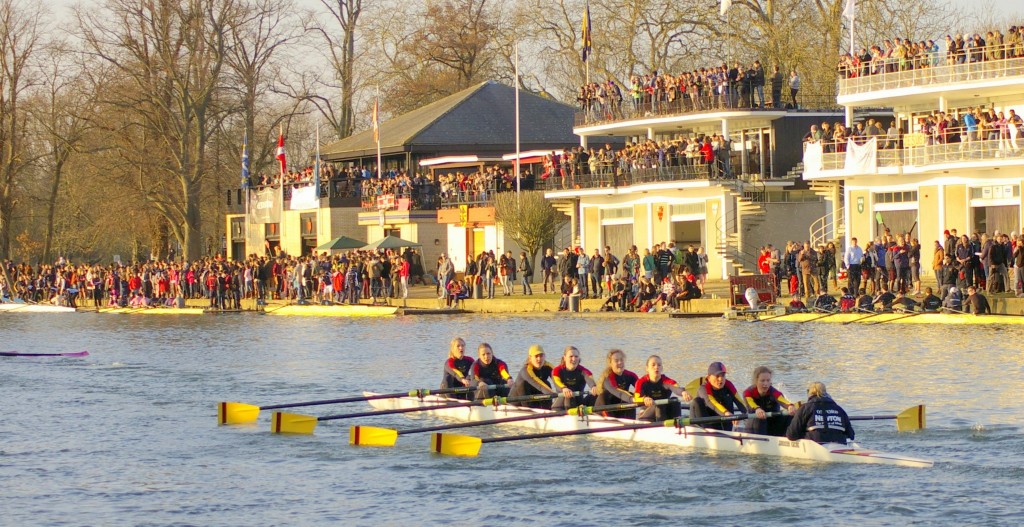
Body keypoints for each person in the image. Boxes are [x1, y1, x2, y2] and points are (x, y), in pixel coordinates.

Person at [786, 381, 855, 444]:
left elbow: (791, 435)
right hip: (840, 442)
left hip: (815, 443)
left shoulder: (805, 408)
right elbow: (851, 435)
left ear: (809, 393)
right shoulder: (839, 409)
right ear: (825, 392)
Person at [690, 361, 747, 430]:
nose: (720, 379)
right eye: (717, 376)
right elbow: (713, 403)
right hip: (706, 425)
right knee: (696, 402)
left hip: (724, 426)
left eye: (723, 375)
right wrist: (726, 413)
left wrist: (749, 412)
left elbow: (740, 401)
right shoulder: (703, 389)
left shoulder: (729, 385)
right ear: (708, 377)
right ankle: (701, 430)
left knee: (728, 398)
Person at [635, 355, 691, 421]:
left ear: (662, 368)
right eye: (653, 365)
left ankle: (677, 423)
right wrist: (644, 399)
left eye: (659, 365)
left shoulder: (666, 381)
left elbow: (676, 389)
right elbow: (636, 398)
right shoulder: (641, 382)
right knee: (659, 404)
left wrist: (683, 392)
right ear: (647, 368)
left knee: (675, 400)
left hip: (663, 411)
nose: (656, 367)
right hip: (647, 413)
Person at [742, 366, 795, 436]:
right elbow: (751, 404)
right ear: (756, 381)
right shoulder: (748, 393)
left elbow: (783, 401)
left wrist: (790, 406)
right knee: (760, 418)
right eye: (762, 380)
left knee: (790, 415)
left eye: (768, 380)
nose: (766, 384)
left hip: (771, 425)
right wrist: (757, 409)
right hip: (755, 424)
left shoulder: (773, 392)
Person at [593, 349, 639, 419]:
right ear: (610, 363)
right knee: (629, 397)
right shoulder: (608, 378)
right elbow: (617, 392)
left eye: (621, 360)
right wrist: (631, 399)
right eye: (616, 361)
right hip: (604, 408)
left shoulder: (630, 375)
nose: (620, 362)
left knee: (633, 395)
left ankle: (632, 424)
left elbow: (642, 387)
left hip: (619, 407)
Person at [508, 345, 557, 409]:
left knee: (547, 383)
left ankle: (548, 409)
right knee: (523, 385)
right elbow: (539, 385)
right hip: (517, 401)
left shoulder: (548, 366)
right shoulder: (526, 370)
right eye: (536, 356)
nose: (539, 359)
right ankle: (530, 411)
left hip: (534, 396)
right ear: (530, 358)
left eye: (541, 356)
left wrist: (565, 389)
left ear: (544, 356)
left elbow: (558, 379)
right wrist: (553, 394)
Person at [551, 346, 598, 410]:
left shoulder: (583, 370)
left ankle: (597, 414)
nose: (574, 359)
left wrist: (593, 386)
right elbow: (557, 383)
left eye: (576, 356)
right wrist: (564, 388)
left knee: (597, 394)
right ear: (564, 358)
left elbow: (590, 379)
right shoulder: (557, 370)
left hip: (579, 402)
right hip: (561, 405)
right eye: (571, 356)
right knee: (569, 394)